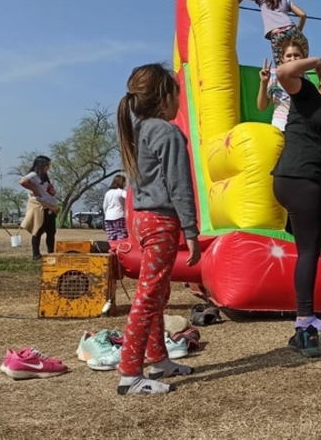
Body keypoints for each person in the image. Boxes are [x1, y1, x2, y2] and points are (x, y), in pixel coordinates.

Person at [115, 63, 201, 395]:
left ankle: (157, 358)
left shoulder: (138, 130)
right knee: (150, 295)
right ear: (165, 97)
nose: (181, 99)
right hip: (162, 221)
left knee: (158, 293)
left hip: (144, 220)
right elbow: (180, 184)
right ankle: (130, 373)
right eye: (178, 91)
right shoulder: (167, 132)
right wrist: (191, 231)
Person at [271, 56, 321, 357]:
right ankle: (305, 321)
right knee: (309, 251)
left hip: (311, 181)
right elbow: (282, 72)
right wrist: (315, 62)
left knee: (310, 245)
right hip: (296, 177)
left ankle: (307, 319)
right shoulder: (305, 92)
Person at [237, 0, 308, 66]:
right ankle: (302, 70)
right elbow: (303, 14)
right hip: (292, 30)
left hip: (277, 34)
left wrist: (233, 4)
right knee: (302, 56)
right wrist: (299, 30)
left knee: (281, 64)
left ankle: (286, 76)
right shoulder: (286, 1)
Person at [257, 40, 306, 131]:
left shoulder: (306, 79)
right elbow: (262, 107)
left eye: (296, 55)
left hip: (300, 129)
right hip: (280, 127)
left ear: (303, 57)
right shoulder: (274, 75)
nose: (293, 59)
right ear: (282, 59)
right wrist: (264, 83)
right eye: (289, 56)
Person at [19, 155, 59, 260]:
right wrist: (34, 190)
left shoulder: (44, 176)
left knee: (51, 231)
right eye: (47, 165)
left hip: (50, 208)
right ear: (41, 165)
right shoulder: (33, 175)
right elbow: (23, 181)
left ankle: (51, 252)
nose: (48, 167)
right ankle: (36, 254)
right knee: (38, 230)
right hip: (41, 207)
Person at [103, 174, 128, 241]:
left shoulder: (108, 193)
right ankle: (120, 249)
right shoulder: (122, 192)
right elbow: (130, 199)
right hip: (119, 216)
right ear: (121, 183)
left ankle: (113, 248)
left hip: (108, 217)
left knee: (111, 235)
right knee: (121, 234)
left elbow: (105, 206)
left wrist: (106, 214)